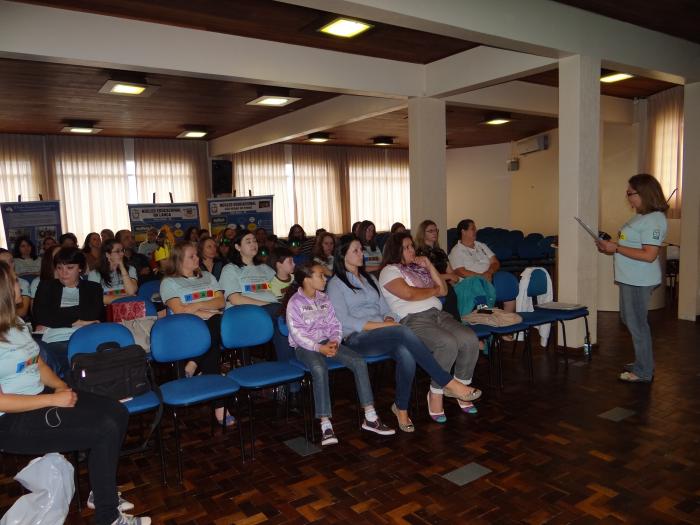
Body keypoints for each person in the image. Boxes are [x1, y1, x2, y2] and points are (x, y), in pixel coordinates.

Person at [0, 261, 151, 525]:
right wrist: (53, 398)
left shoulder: (18, 325)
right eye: (13, 281)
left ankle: (100, 490)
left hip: (42, 397)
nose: (19, 285)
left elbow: (39, 364)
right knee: (103, 429)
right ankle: (107, 517)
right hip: (12, 421)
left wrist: (59, 386)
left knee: (117, 411)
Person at [327, 239, 482, 431]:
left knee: (406, 354)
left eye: (361, 250)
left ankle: (400, 408)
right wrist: (382, 325)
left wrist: (389, 319)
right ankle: (448, 382)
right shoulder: (335, 284)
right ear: (343, 255)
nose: (362, 254)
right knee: (403, 330)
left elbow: (386, 308)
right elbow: (345, 321)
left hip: (383, 331)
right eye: (356, 250)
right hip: (357, 337)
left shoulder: (369, 279)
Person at [283, 262, 395, 445]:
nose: (325, 278)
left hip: (329, 343)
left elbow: (335, 324)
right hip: (305, 347)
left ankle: (370, 416)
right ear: (307, 279)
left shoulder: (324, 299)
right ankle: (325, 424)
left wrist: (335, 340)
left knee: (359, 361)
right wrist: (319, 348)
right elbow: (297, 334)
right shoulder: (295, 303)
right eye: (321, 275)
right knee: (319, 368)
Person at [379, 232, 481, 423]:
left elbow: (443, 289)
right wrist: (432, 291)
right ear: (396, 250)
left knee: (470, 339)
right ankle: (436, 393)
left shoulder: (417, 268)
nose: (412, 250)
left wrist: (429, 265)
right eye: (407, 247)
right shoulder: (389, 271)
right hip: (414, 319)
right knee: (447, 343)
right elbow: (409, 294)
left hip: (438, 315)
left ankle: (461, 389)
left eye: (412, 246)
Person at [596, 174, 668, 383]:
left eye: (630, 193)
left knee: (637, 324)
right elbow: (631, 245)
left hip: (640, 279)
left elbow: (649, 255)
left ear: (643, 192)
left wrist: (616, 247)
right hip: (630, 277)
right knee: (630, 320)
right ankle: (642, 361)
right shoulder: (640, 216)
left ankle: (644, 371)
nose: (627, 197)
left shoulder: (655, 219)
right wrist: (610, 247)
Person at [159, 243, 230, 424]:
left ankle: (194, 364)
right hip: (187, 327)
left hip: (212, 323)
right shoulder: (169, 282)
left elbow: (221, 301)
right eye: (192, 256)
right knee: (214, 326)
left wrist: (197, 306)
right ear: (179, 260)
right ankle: (219, 405)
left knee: (214, 325)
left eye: (196, 255)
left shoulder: (207, 276)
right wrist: (205, 311)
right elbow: (179, 310)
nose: (197, 259)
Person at [32, 248, 104, 378]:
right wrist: (78, 321)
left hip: (85, 335)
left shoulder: (93, 288)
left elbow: (92, 314)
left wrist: (57, 315)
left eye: (70, 268)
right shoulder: (46, 286)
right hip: (56, 339)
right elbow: (41, 316)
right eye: (59, 268)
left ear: (80, 268)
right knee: (70, 360)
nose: (63, 273)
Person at [449, 219, 515, 313]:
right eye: (473, 229)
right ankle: (485, 314)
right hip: (472, 284)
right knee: (482, 289)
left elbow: (495, 262)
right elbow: (460, 271)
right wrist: (481, 277)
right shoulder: (456, 251)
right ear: (463, 231)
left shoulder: (481, 245)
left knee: (506, 285)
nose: (476, 231)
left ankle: (508, 319)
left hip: (489, 277)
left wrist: (489, 272)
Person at [219, 230, 277, 312]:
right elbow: (235, 299)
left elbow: (278, 286)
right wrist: (268, 306)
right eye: (248, 242)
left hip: (271, 308)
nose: (253, 244)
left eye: (254, 241)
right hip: (245, 311)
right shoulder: (230, 269)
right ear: (238, 247)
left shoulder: (264, 267)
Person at [415, 220, 461, 320]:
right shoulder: (419, 253)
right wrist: (449, 277)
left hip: (447, 283)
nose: (434, 233)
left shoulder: (440, 251)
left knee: (465, 287)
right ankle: (455, 322)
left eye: (436, 230)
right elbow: (426, 276)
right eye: (430, 231)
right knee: (449, 291)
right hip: (431, 285)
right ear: (423, 233)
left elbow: (451, 272)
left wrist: (452, 278)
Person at [88, 239, 139, 305]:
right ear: (107, 255)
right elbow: (97, 298)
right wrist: (125, 298)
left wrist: (122, 267)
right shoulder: (94, 274)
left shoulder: (131, 269)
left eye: (122, 250)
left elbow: (131, 291)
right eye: (117, 251)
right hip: (106, 310)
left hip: (128, 308)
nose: (122, 253)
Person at [0, 249, 31, 319]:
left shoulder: (22, 283)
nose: (9, 265)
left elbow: (22, 312)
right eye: (3, 263)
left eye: (11, 261)